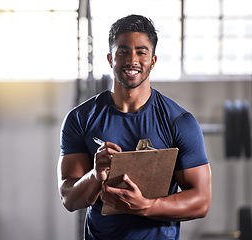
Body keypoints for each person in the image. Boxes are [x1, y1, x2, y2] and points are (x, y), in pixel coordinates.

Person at [57, 14, 212, 240]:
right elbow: (69, 199)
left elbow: (201, 201)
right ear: (111, 59)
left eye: (141, 52)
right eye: (123, 52)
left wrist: (145, 206)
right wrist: (95, 175)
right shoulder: (80, 118)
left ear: (153, 60)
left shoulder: (178, 122)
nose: (132, 60)